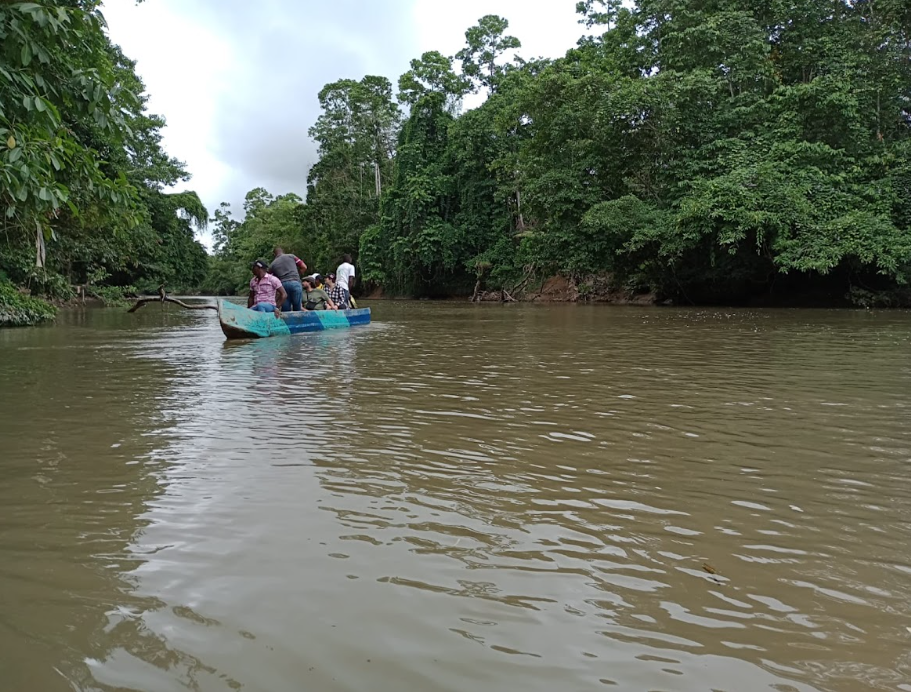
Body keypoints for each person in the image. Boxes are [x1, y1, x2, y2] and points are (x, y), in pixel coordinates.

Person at [268, 246, 306, 312]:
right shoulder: (291, 256)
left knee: (286, 310)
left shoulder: (272, 264)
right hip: (295, 282)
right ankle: (298, 321)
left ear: (274, 254)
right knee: (297, 308)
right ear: (283, 251)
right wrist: (297, 275)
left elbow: (270, 279)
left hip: (283, 285)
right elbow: (304, 267)